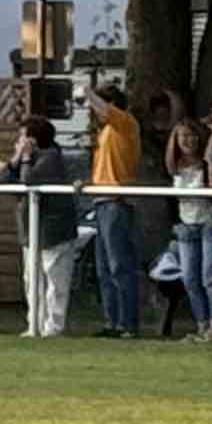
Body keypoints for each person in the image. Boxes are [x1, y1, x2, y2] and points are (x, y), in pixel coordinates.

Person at [86, 77, 150, 339]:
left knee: (119, 265)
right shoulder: (104, 133)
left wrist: (86, 91)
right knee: (103, 268)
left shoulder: (125, 123)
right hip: (101, 202)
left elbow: (103, 109)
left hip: (117, 203)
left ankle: (128, 324)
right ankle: (112, 322)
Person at [11, 113, 81, 339]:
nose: (19, 141)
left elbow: (27, 180)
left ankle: (53, 327)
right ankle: (35, 325)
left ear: (34, 139)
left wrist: (24, 159)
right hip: (31, 231)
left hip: (54, 231)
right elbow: (1, 178)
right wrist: (15, 159)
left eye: (23, 137)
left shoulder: (51, 157)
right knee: (32, 281)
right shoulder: (27, 157)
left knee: (55, 281)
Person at [169, 120, 212, 344]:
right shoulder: (174, 166)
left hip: (208, 222)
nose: (188, 141)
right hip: (185, 225)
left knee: (210, 276)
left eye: (192, 136)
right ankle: (201, 325)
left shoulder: (207, 163)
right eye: (183, 137)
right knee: (190, 278)